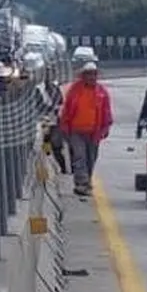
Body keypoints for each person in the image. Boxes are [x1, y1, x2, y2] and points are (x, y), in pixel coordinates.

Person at [59, 61, 113, 197]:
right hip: (76, 131)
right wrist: (64, 126)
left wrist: (106, 127)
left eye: (94, 75)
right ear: (83, 76)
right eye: (88, 74)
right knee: (80, 156)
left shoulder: (102, 92)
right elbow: (67, 109)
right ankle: (81, 183)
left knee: (91, 158)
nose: (91, 78)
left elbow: (106, 112)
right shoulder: (75, 90)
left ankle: (87, 181)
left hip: (94, 132)